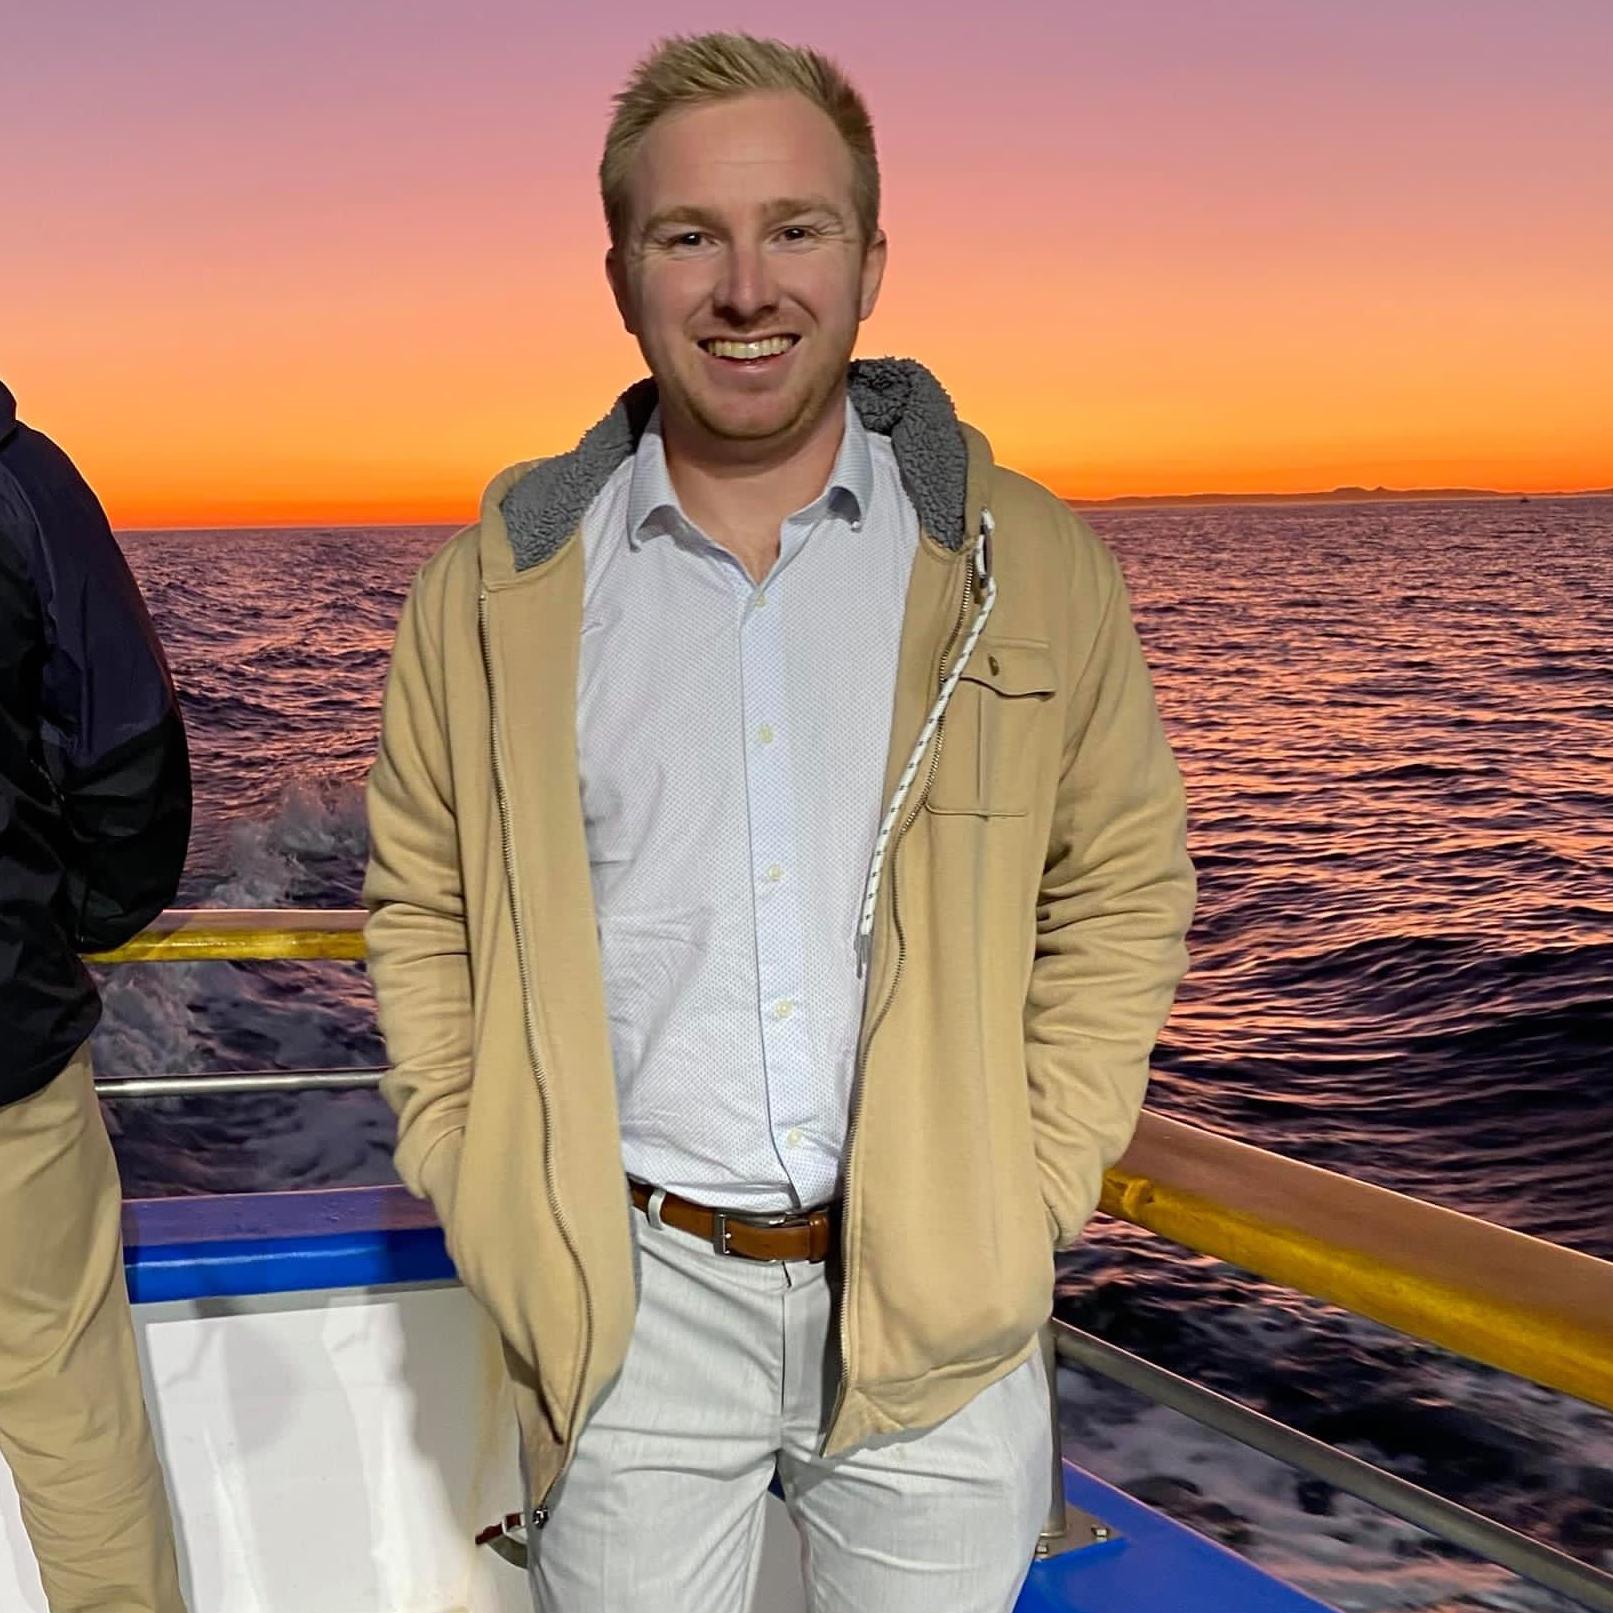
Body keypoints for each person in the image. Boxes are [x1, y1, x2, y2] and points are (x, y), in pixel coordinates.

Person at [365, 31, 1194, 1613]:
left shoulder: (1026, 562)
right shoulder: (491, 595)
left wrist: (1025, 1192)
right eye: (690, 236)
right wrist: (478, 1178)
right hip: (623, 1301)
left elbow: (1120, 884)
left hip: (940, 1296)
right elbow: (422, 905)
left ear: (870, 260)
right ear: (622, 275)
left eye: (795, 228)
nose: (746, 287)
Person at [0, 380, 191, 1612]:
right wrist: (64, 919)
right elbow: (125, 750)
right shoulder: (20, 481)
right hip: (5, 1056)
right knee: (71, 1417)